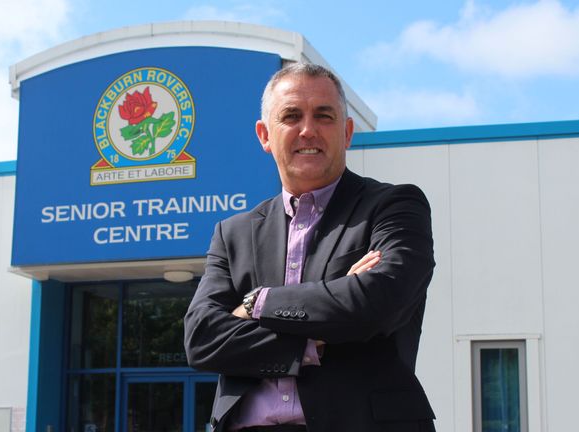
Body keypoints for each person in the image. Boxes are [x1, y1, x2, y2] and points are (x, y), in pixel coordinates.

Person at [184, 63, 436, 432]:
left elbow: (378, 303)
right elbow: (202, 339)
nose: (308, 130)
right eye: (291, 116)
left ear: (347, 132)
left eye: (324, 115)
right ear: (265, 135)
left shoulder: (395, 207)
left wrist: (256, 304)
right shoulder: (232, 233)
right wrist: (318, 327)